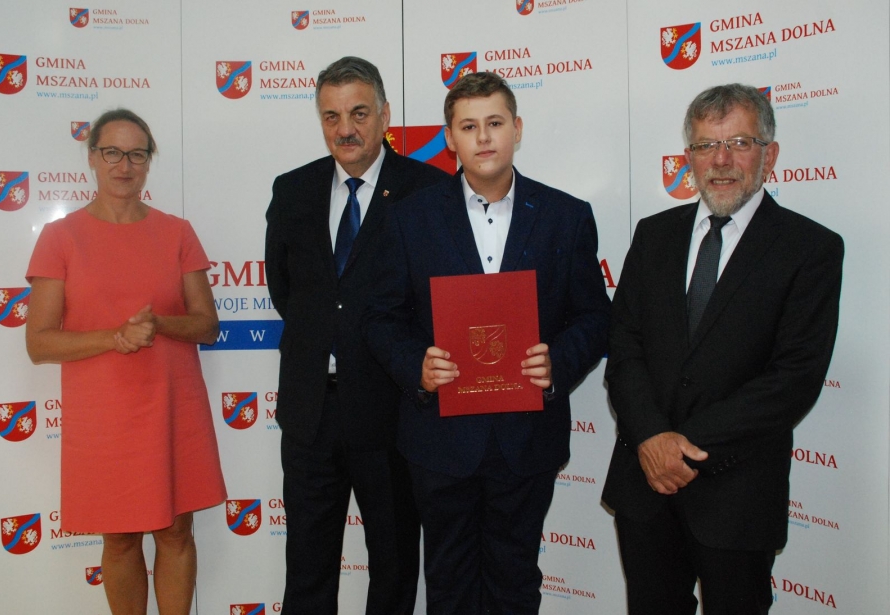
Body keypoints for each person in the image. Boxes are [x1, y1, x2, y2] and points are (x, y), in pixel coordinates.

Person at [362, 71, 611, 615]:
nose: (483, 137)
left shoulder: (566, 217)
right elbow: (381, 318)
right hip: (440, 439)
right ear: (450, 138)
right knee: (448, 585)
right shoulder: (409, 219)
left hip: (527, 438)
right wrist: (416, 365)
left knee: (514, 582)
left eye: (494, 123)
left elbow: (594, 316)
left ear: (517, 129)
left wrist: (558, 362)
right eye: (468, 126)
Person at [601, 83, 844, 615]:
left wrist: (683, 446)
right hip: (645, 486)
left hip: (739, 496)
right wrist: (651, 438)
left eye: (739, 142)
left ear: (769, 155)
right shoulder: (653, 235)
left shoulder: (810, 249)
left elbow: (794, 377)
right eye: (706, 145)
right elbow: (624, 346)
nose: (721, 160)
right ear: (689, 157)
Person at [264, 56, 449, 615]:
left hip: (391, 413)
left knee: (393, 568)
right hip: (310, 414)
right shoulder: (292, 190)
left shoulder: (427, 190)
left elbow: (433, 300)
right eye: (332, 116)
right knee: (307, 570)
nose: (345, 129)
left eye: (359, 113)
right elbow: (286, 291)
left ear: (385, 115)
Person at [25, 109, 226, 614]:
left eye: (137, 154)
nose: (124, 165)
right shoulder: (60, 237)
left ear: (149, 162)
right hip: (105, 416)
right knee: (119, 539)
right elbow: (39, 343)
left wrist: (158, 325)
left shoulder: (177, 232)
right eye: (112, 152)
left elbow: (207, 325)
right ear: (92, 157)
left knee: (176, 530)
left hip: (174, 406)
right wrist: (115, 338)